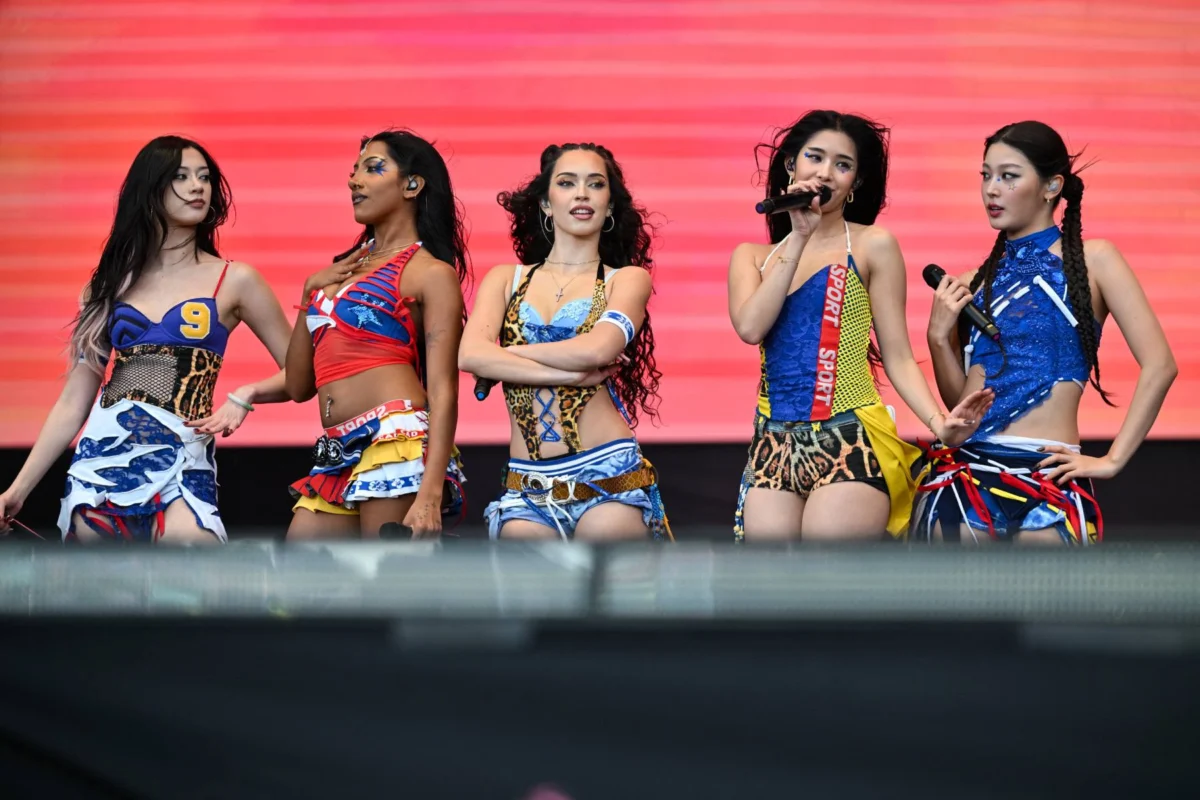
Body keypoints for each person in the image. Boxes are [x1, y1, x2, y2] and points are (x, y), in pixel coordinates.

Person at [0, 136, 293, 543]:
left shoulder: (236, 279)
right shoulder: (106, 286)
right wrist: (16, 491)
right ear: (149, 189)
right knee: (101, 583)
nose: (197, 186)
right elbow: (74, 399)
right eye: (181, 177)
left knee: (197, 570)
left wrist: (247, 394)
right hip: (100, 465)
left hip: (183, 461)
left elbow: (303, 374)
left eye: (204, 177)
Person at [728, 110, 994, 542]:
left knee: (827, 574)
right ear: (791, 164)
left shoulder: (873, 245)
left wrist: (938, 422)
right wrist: (799, 236)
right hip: (773, 445)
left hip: (850, 438)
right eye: (814, 157)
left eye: (842, 164)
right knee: (772, 578)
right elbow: (750, 328)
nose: (825, 173)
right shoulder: (753, 256)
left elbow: (898, 356)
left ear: (855, 182)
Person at [915, 120, 1176, 544]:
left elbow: (1160, 365)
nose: (991, 190)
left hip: (1048, 477)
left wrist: (1112, 460)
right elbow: (962, 407)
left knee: (1043, 589)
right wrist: (938, 338)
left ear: (1052, 186)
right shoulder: (971, 284)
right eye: (986, 175)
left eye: (1008, 176)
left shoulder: (1095, 260)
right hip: (969, 473)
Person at [460, 143, 671, 541]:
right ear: (545, 202)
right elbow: (470, 354)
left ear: (610, 206)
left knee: (604, 560)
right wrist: (570, 375)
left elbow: (598, 350)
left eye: (596, 184)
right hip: (529, 485)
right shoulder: (506, 279)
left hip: (607, 475)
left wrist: (503, 356)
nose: (582, 194)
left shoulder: (626, 279)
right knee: (527, 563)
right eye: (567, 183)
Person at [285, 130, 469, 540]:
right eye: (354, 171)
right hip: (336, 449)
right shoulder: (339, 271)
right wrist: (308, 291)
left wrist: (430, 493)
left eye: (373, 168)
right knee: (301, 567)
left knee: (388, 573)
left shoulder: (430, 273)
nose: (354, 180)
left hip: (395, 439)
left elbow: (443, 389)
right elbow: (298, 385)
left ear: (412, 185)